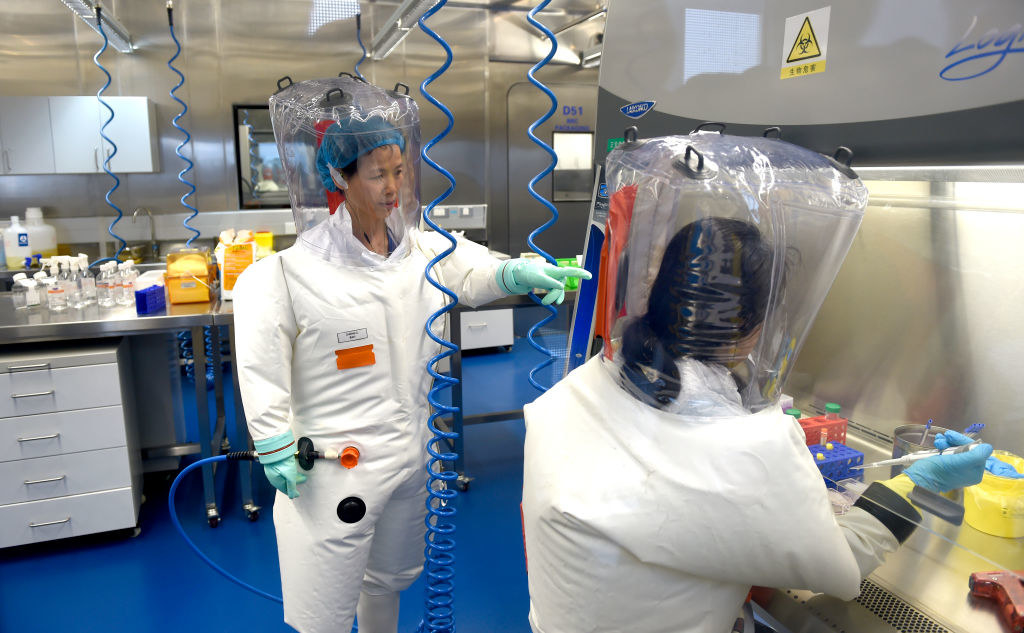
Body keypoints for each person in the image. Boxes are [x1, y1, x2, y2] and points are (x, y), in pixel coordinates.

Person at [520, 133, 992, 633]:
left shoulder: (585, 385)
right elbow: (840, 569)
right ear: (753, 326)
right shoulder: (745, 448)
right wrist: (921, 483)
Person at [232, 76, 589, 633]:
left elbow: (474, 270)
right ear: (338, 178)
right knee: (322, 608)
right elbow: (260, 363)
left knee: (390, 581)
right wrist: (273, 440)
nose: (392, 187)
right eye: (377, 174)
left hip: (413, 455)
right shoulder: (283, 274)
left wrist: (517, 270)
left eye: (399, 171)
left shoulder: (422, 249)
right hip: (333, 468)